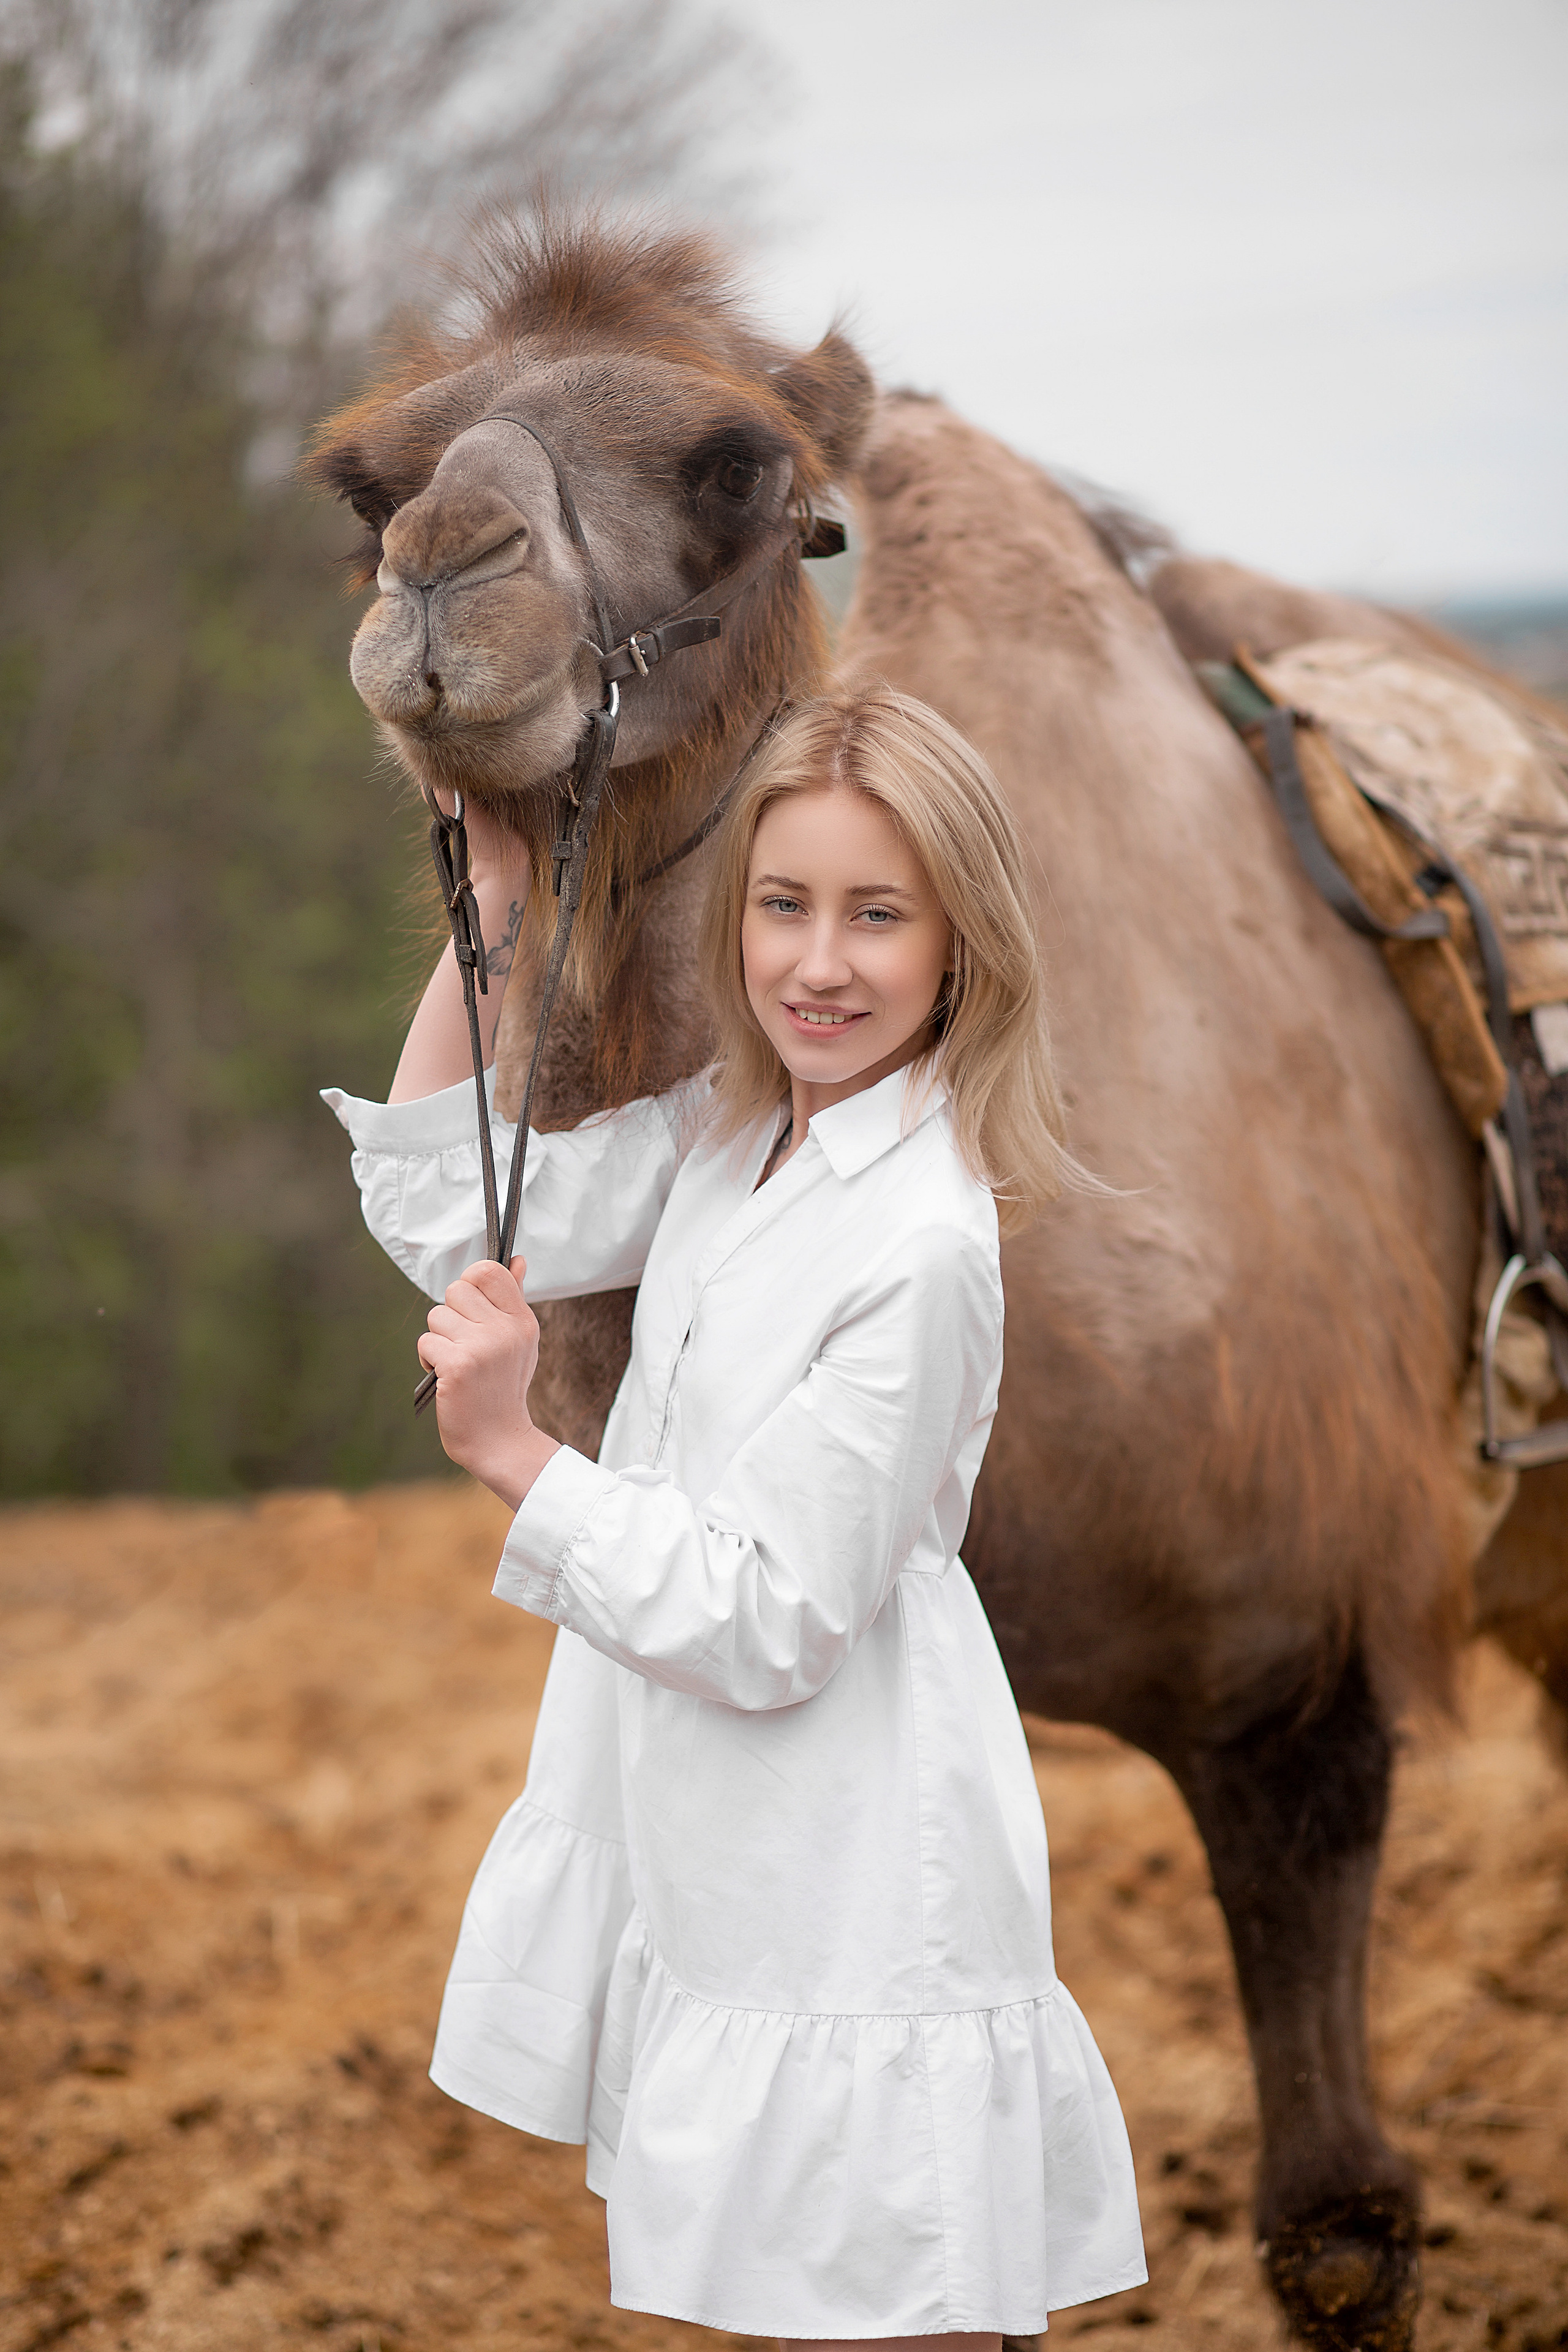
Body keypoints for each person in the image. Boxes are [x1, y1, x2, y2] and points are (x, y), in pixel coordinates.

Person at [323, 685, 1145, 2348]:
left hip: (850, 1850)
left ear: (961, 941)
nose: (819, 963)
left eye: (876, 915)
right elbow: (455, 1203)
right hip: (717, 1826)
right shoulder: (732, 1128)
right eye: (785, 906)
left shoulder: (920, 1241)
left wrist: (518, 1454)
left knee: (886, 2295)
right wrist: (488, 910)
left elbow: (772, 1618)